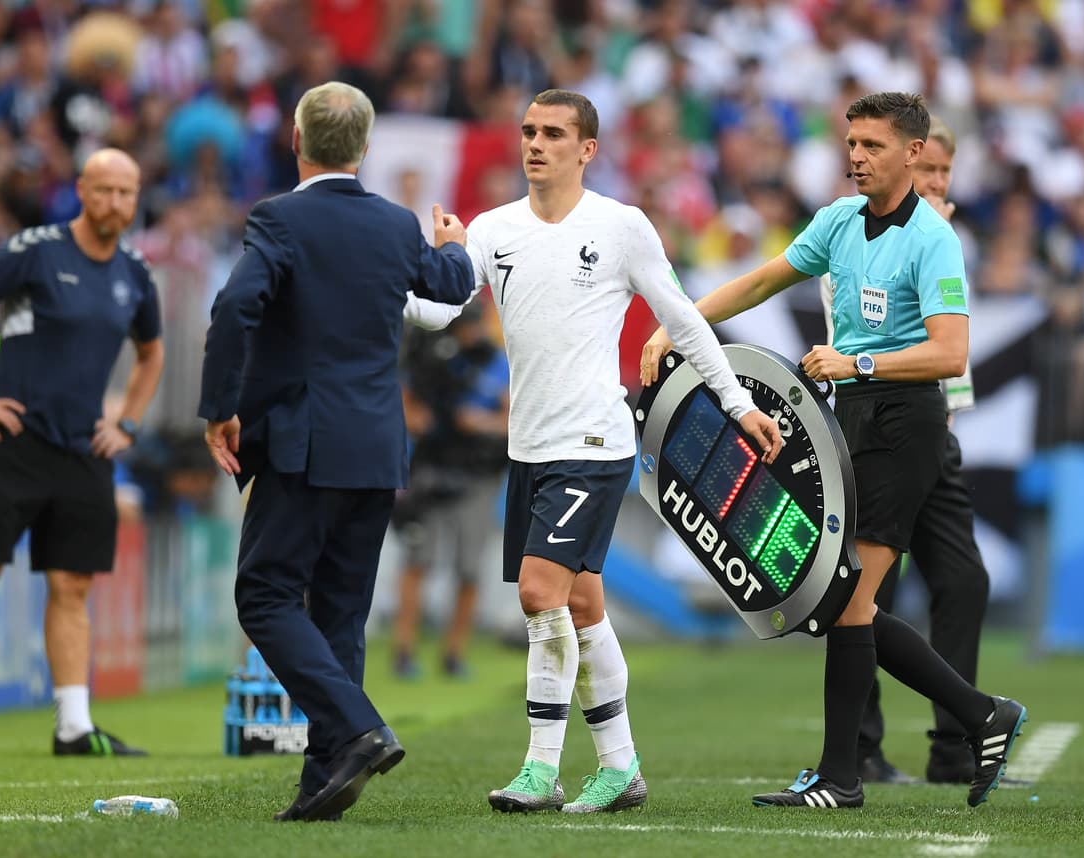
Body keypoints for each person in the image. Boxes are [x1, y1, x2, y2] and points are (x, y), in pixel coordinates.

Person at [641, 92, 1026, 810]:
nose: (857, 157)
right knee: (846, 598)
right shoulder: (839, 221)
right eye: (852, 144)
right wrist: (679, 323)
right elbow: (761, 280)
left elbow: (951, 353)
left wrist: (859, 363)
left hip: (905, 421)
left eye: (873, 145)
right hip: (850, 417)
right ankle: (977, 717)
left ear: (913, 153)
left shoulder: (935, 239)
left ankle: (845, 774)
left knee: (850, 600)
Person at [405, 89, 783, 815]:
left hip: (595, 441)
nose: (535, 143)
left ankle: (540, 769)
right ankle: (621, 767)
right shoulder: (491, 229)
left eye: (553, 133)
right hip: (529, 446)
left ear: (587, 150)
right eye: (528, 130)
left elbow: (684, 321)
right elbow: (436, 312)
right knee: (580, 604)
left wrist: (738, 404)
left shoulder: (621, 226)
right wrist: (407, 271)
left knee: (537, 593)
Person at [197, 80, 474, 823]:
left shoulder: (279, 218)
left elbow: (235, 305)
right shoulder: (394, 223)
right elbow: (448, 286)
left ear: (297, 140)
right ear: (365, 148)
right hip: (377, 446)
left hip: (303, 443)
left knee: (264, 594)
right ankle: (326, 780)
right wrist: (454, 245)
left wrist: (218, 408)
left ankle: (356, 729)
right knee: (341, 614)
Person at [0, 148, 164, 759]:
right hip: (15, 444)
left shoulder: (135, 272)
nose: (115, 203)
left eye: (126, 193)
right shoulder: (37, 249)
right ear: (81, 190)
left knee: (72, 586)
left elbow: (152, 352)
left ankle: (74, 726)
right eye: (103, 190)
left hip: (85, 449)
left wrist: (127, 423)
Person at [827, 118, 992, 787]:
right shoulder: (867, 231)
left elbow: (952, 349)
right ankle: (861, 750)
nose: (938, 184)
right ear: (909, 166)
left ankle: (957, 743)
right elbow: (853, 314)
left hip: (930, 430)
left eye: (947, 173)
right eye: (930, 172)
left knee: (959, 581)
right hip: (880, 421)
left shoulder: (939, 238)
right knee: (865, 594)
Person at [392, 301, 510, 680]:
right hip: (432, 468)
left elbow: (512, 421)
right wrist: (419, 420)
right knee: (418, 559)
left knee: (469, 566)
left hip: (477, 474)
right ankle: (404, 650)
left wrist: (480, 423)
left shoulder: (496, 362)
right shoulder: (430, 358)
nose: (472, 334)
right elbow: (406, 406)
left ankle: (454, 653)